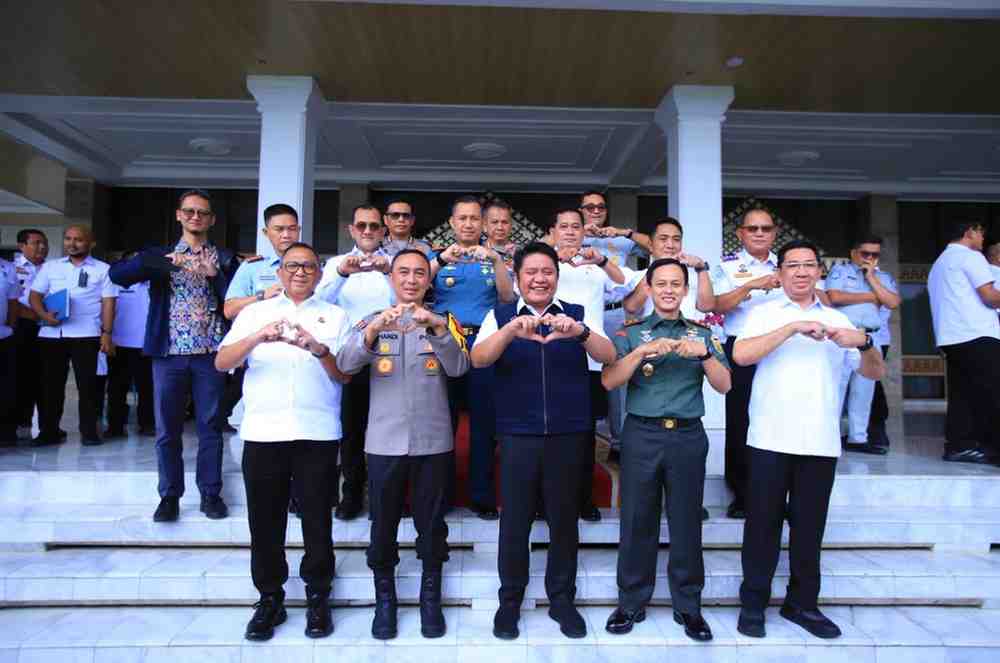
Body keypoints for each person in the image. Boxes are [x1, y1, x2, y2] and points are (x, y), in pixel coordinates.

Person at [733, 239, 885, 640]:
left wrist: (865, 343)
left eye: (809, 265)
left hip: (819, 441)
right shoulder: (764, 313)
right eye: (792, 266)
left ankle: (802, 603)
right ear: (780, 273)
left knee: (809, 528)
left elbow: (873, 373)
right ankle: (753, 602)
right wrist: (792, 328)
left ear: (820, 271)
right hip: (769, 436)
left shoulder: (841, 320)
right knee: (761, 525)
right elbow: (742, 356)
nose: (801, 272)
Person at [471, 241, 615, 641]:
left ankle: (562, 600)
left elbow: (608, 354)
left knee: (564, 521)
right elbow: (479, 358)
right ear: (517, 279)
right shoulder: (500, 314)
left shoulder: (576, 315)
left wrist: (580, 332)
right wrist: (511, 330)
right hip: (519, 433)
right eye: (531, 272)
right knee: (514, 522)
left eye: (546, 272)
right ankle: (510, 601)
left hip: (569, 433)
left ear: (556, 277)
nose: (539, 278)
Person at [215, 242, 349, 642]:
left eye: (309, 266)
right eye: (292, 266)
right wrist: (259, 336)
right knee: (265, 520)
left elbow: (344, 374)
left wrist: (318, 348)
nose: (300, 273)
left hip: (318, 431)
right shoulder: (255, 313)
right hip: (263, 432)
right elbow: (223, 361)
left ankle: (318, 595)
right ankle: (269, 597)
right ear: (279, 272)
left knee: (317, 520)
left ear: (319, 273)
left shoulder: (334, 315)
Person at [337, 249, 470, 641]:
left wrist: (438, 331)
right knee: (383, 524)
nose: (411, 280)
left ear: (428, 281)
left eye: (418, 274)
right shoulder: (372, 320)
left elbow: (460, 367)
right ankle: (386, 600)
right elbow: (344, 364)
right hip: (383, 441)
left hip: (432, 441)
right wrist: (373, 330)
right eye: (403, 273)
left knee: (432, 525)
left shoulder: (445, 321)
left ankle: (431, 599)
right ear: (391, 279)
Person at [603, 258, 730, 641]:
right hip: (641, 434)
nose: (669, 290)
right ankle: (630, 603)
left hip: (688, 437)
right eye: (661, 283)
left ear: (686, 290)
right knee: (637, 519)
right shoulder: (630, 333)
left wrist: (704, 355)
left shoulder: (703, 333)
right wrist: (641, 353)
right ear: (650, 289)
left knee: (687, 521)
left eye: (676, 283)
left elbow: (725, 385)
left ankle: (689, 607)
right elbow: (610, 381)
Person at [110, 189, 240, 522]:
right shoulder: (160, 255)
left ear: (211, 219)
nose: (196, 217)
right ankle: (169, 496)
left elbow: (235, 303)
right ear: (179, 215)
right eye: (190, 211)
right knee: (167, 428)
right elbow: (118, 274)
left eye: (203, 213)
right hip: (168, 354)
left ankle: (210, 494)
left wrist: (215, 277)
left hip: (210, 354)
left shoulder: (224, 258)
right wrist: (169, 261)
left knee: (210, 426)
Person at [429, 195, 515, 520]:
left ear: (483, 224)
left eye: (474, 219)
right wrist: (439, 258)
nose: (467, 224)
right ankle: (441, 494)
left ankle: (481, 495)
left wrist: (494, 259)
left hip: (484, 344)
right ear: (452, 223)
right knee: (442, 423)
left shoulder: (493, 258)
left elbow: (507, 298)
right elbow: (418, 286)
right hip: (444, 343)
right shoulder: (436, 257)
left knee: (484, 423)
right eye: (461, 218)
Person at [316, 204, 394, 521]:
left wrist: (387, 272)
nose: (367, 231)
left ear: (383, 230)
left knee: (386, 429)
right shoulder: (336, 263)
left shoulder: (394, 263)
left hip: (390, 356)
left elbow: (406, 297)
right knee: (351, 429)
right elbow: (319, 301)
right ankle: (351, 493)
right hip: (350, 356)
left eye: (374, 226)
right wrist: (341, 273)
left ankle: (381, 496)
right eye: (361, 225)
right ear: (351, 229)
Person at [550, 207, 625, 522]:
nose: (569, 232)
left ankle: (584, 499)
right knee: (551, 435)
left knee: (584, 436)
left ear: (584, 231)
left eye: (575, 227)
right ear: (553, 231)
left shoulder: (597, 267)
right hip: (550, 355)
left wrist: (603, 260)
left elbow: (624, 287)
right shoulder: (543, 265)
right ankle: (548, 501)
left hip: (590, 360)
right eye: (563, 226)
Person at [709, 208, 783, 519]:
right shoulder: (728, 266)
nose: (759, 233)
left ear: (774, 233)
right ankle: (741, 493)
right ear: (740, 233)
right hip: (741, 346)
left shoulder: (788, 263)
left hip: (783, 348)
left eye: (766, 228)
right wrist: (750, 286)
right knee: (741, 421)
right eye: (752, 228)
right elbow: (714, 304)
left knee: (781, 418)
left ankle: (778, 493)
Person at [575, 191, 651, 454]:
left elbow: (656, 247)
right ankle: (584, 435)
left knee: (619, 375)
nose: (595, 211)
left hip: (618, 312)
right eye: (589, 207)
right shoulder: (573, 236)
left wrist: (624, 232)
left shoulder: (618, 237)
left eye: (600, 207)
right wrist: (580, 230)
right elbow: (543, 247)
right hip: (585, 314)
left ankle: (619, 443)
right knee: (582, 372)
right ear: (581, 210)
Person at [29, 225, 117, 446]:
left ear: (91, 243)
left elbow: (108, 303)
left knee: (88, 386)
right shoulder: (50, 267)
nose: (72, 243)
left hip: (86, 334)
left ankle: (89, 433)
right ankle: (49, 431)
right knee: (50, 386)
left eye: (78, 239)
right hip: (51, 334)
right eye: (68, 239)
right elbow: (34, 296)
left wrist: (106, 333)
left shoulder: (103, 269)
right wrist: (43, 315)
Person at [927, 221, 1000, 464]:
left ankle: (959, 445)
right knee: (992, 392)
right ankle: (993, 448)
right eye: (981, 233)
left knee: (963, 395)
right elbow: (990, 297)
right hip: (977, 334)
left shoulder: (939, 263)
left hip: (951, 337)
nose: (983, 239)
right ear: (969, 231)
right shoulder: (971, 257)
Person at [825, 236, 900, 455]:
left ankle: (858, 438)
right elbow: (835, 297)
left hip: (870, 338)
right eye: (865, 253)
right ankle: (829, 437)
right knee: (837, 389)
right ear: (853, 253)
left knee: (863, 391)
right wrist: (872, 296)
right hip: (842, 336)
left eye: (874, 255)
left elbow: (893, 302)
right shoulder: (840, 272)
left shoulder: (883, 277)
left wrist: (872, 279)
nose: (869, 258)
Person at [105, 251, 155, 438]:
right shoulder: (115, 283)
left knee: (147, 389)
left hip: (147, 345)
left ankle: (148, 424)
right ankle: (116, 426)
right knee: (117, 388)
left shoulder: (155, 283)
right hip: (119, 344)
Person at [13, 229, 49, 440]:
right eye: (36, 243)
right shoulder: (11, 268)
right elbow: (10, 300)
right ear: (21, 246)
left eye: (44, 243)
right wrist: (34, 314)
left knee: (46, 378)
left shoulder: (52, 268)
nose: (41, 247)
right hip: (22, 327)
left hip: (48, 328)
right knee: (22, 376)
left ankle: (48, 425)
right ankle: (21, 422)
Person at [0, 259, 19, 446]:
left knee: (5, 388)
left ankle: (6, 433)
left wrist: (12, 327)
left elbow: (13, 302)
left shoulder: (7, 268)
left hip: (3, 337)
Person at [483, 200, 518, 273]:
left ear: (511, 225)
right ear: (484, 226)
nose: (500, 227)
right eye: (495, 222)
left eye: (504, 222)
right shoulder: (476, 252)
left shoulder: (522, 254)